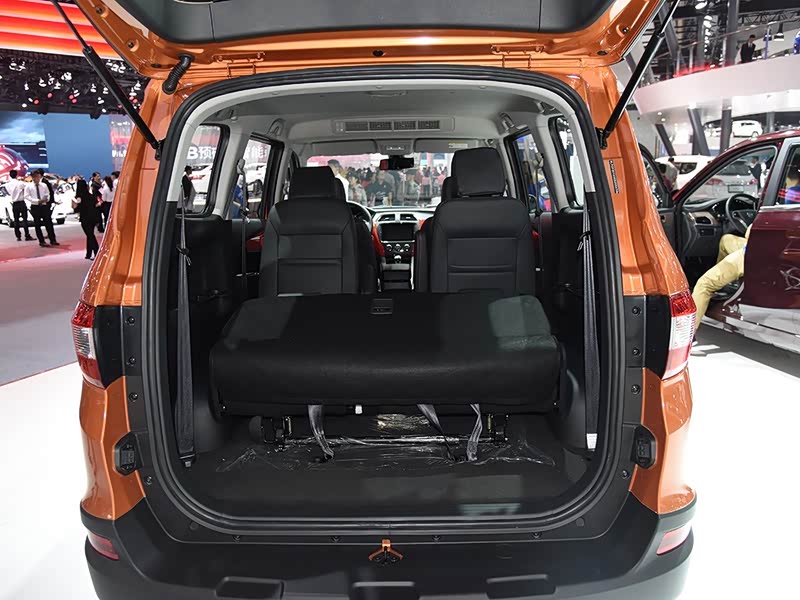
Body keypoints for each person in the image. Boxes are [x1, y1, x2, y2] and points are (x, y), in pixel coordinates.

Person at [692, 227, 749, 329]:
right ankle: (725, 283)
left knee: (704, 284)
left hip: (752, 254)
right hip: (767, 249)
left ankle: (688, 332)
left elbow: (751, 234)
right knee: (726, 240)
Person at [25, 169, 59, 247]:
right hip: (35, 206)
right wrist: (37, 201)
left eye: (38, 176)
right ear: (32, 177)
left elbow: (48, 193)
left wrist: (47, 199)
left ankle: (53, 240)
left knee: (48, 223)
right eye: (34, 177)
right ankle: (41, 241)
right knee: (37, 225)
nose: (36, 178)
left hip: (44, 206)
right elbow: (26, 196)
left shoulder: (44, 185)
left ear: (40, 176)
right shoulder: (28, 186)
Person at [2, 169, 33, 241]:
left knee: (16, 220)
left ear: (10, 175)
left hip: (14, 203)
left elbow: (7, 192)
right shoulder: (20, 183)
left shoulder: (7, 185)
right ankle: (27, 235)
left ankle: (18, 236)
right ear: (16, 175)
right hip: (21, 202)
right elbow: (27, 187)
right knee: (25, 220)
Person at [72, 179, 100, 259]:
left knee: (90, 235)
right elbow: (96, 206)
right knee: (90, 234)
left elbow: (77, 209)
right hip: (93, 218)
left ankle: (97, 252)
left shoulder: (79, 198)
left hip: (85, 218)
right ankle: (89, 253)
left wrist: (74, 205)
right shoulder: (91, 196)